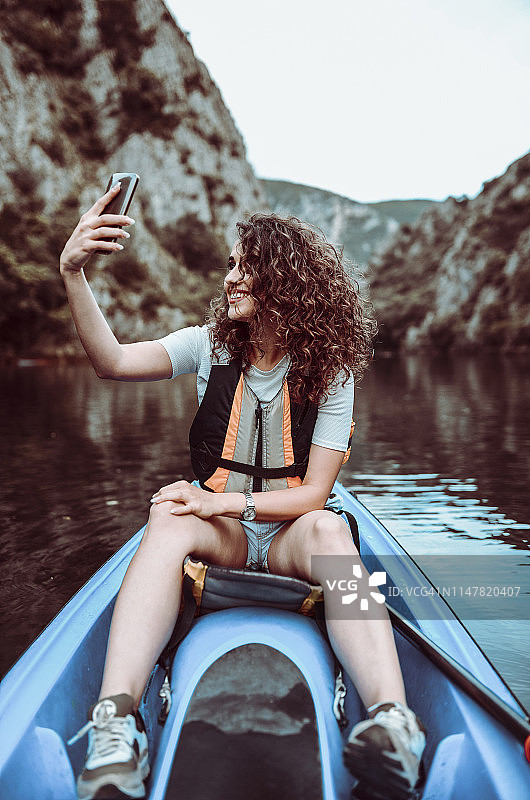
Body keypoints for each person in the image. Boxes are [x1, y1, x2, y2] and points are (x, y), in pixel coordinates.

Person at [60, 182, 425, 800]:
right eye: (231, 265)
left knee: (334, 528)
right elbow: (113, 363)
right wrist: (74, 274)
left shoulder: (330, 370)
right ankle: (115, 724)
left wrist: (219, 501)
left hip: (289, 536)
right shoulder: (206, 347)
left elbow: (313, 495)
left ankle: (394, 722)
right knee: (169, 522)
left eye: (245, 268)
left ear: (284, 283)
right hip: (224, 538)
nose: (229, 278)